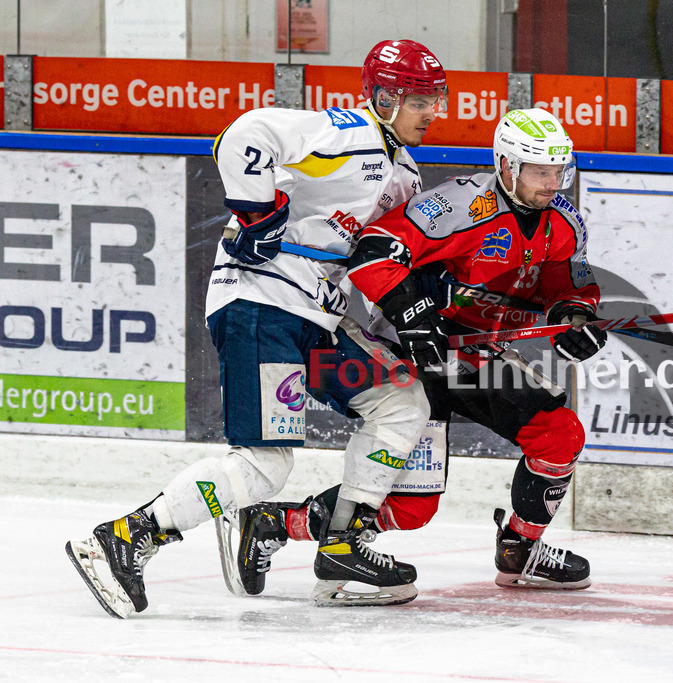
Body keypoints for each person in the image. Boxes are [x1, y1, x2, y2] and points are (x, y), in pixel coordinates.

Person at [65, 39, 449, 617]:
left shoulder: (401, 172)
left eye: (434, 99)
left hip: (314, 320)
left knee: (399, 403)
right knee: (264, 462)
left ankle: (343, 539)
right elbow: (246, 134)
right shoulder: (351, 133)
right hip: (262, 306)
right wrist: (258, 212)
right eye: (420, 100)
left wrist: (420, 308)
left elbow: (377, 257)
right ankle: (122, 539)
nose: (432, 112)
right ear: (386, 97)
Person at [232, 108, 606, 593]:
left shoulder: (564, 222)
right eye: (539, 170)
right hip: (416, 358)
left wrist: (574, 316)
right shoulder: (459, 204)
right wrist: (414, 314)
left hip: (475, 358)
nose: (551, 182)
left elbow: (567, 282)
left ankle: (520, 549)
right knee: (412, 510)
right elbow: (373, 250)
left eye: (558, 171)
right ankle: (277, 523)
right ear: (507, 165)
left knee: (559, 435)